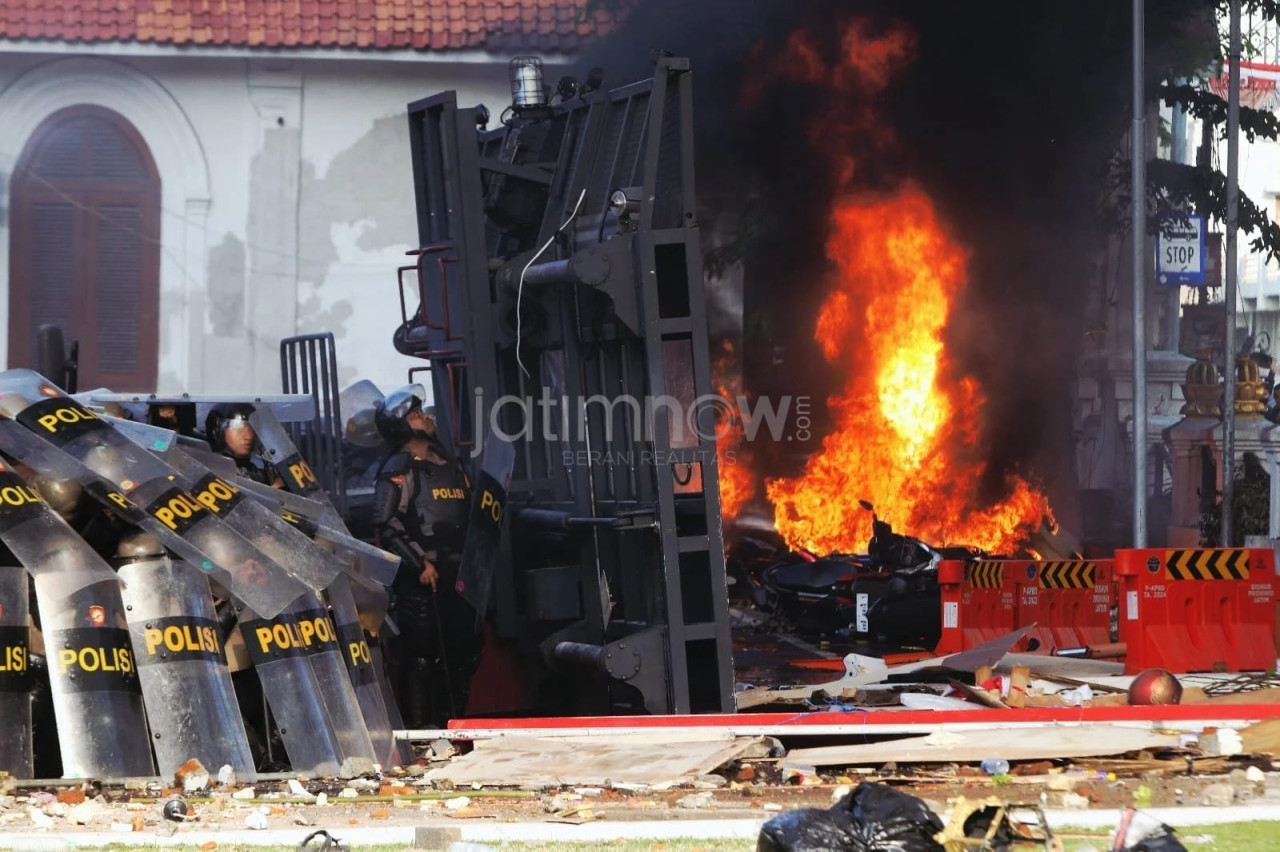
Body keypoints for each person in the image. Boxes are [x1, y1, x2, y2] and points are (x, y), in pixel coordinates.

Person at [370, 385, 481, 727]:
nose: (427, 417)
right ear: (401, 424)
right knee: (421, 660)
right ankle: (421, 735)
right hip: (423, 581)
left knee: (464, 654)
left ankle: (454, 726)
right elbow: (385, 521)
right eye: (417, 413)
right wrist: (419, 564)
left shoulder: (449, 463)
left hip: (459, 575)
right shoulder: (399, 468)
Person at [205, 404, 285, 488]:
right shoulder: (214, 472)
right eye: (239, 428)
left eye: (252, 429)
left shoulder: (252, 470)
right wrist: (275, 489)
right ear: (218, 431)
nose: (249, 436)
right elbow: (238, 499)